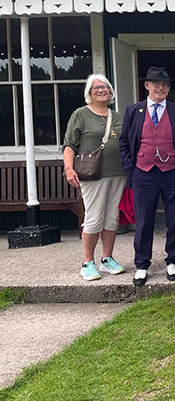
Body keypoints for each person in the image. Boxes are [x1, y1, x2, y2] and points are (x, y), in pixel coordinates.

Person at [119, 66, 175, 287]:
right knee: (144, 220)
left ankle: (172, 261)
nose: (161, 88)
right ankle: (142, 264)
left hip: (172, 173)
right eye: (156, 83)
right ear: (146, 85)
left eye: (165, 84)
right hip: (143, 173)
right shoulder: (133, 111)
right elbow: (124, 143)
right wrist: (132, 169)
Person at [63, 74, 127, 281]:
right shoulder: (80, 114)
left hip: (118, 173)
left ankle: (107, 259)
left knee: (111, 218)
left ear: (110, 91)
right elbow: (69, 145)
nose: (101, 90)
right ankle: (87, 262)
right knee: (93, 218)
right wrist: (69, 168)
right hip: (93, 175)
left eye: (105, 87)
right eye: (96, 87)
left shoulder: (117, 117)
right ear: (89, 92)